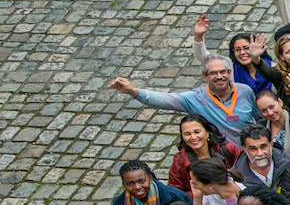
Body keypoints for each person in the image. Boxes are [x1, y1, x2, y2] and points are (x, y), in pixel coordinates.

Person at [108, 56, 260, 141]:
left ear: (229, 73)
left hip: (250, 148)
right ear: (204, 76)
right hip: (221, 153)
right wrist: (134, 91)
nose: (219, 77)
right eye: (213, 73)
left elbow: (256, 116)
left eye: (223, 72)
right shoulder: (195, 98)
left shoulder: (245, 91)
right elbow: (165, 100)